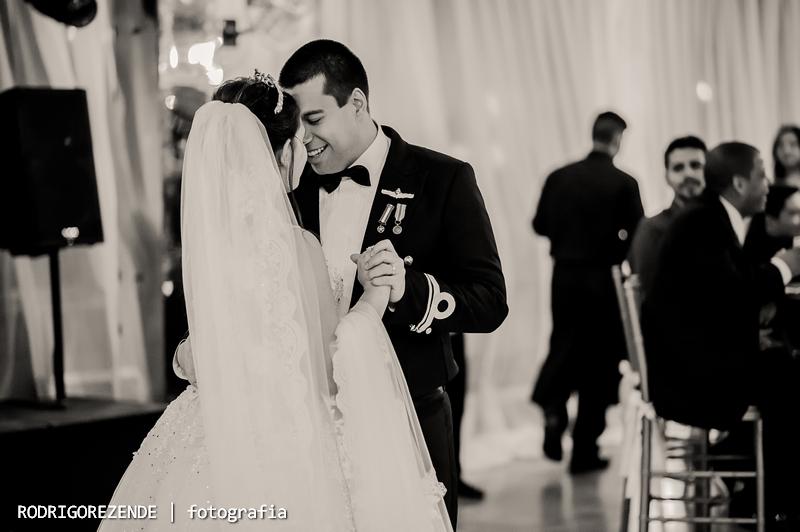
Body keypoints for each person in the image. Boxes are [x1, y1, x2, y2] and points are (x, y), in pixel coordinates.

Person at [99, 75, 453, 532]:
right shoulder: (294, 245)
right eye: (296, 139)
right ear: (280, 153)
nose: (305, 146)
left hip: (209, 439)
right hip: (287, 447)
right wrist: (374, 295)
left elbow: (206, 350)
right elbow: (331, 364)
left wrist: (193, 355)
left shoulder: (211, 247)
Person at [280, 40, 508, 526]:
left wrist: (411, 291)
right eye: (296, 125)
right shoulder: (293, 197)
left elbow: (490, 302)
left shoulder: (442, 179)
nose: (304, 140)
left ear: (357, 102)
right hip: (315, 429)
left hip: (411, 420)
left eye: (315, 119)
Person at [641, 142, 800, 528]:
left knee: (786, 366)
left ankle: (762, 492)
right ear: (740, 182)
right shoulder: (705, 222)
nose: (768, 185)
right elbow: (738, 291)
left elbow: (719, 295)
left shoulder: (708, 216)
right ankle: (774, 502)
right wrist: (785, 266)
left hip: (693, 363)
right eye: (762, 176)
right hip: (690, 379)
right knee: (791, 378)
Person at [531, 111, 643, 474]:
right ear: (617, 139)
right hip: (603, 280)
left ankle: (552, 406)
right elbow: (637, 235)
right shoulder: (624, 182)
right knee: (599, 361)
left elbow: (540, 224)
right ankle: (584, 451)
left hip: (564, 276)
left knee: (563, 344)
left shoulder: (559, 176)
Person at [628, 135, 706, 296]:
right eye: (678, 168)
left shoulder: (725, 220)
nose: (688, 174)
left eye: (696, 165)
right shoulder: (652, 228)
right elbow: (651, 294)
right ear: (667, 177)